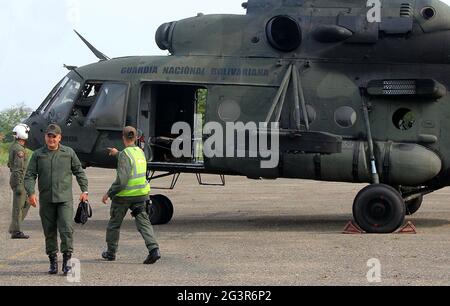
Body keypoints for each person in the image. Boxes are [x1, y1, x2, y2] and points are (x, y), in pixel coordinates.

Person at [24, 124, 89, 275]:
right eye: (49, 136)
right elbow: (30, 175)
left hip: (64, 200)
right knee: (49, 231)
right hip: (46, 200)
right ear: (45, 137)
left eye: (54, 136)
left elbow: (79, 171)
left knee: (66, 229)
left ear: (60, 137)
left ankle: (67, 262)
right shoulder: (38, 154)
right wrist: (31, 193)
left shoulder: (69, 152)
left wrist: (84, 190)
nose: (51, 139)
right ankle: (53, 261)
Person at [102, 126, 160, 264]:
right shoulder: (140, 151)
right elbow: (129, 158)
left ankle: (111, 252)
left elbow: (122, 181)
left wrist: (109, 193)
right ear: (135, 138)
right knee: (143, 223)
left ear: (123, 138)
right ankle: (154, 249)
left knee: (114, 224)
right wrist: (117, 153)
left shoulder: (125, 155)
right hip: (141, 195)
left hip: (124, 196)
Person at [8, 124, 31, 239]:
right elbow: (17, 169)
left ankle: (13, 227)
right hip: (19, 180)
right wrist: (19, 185)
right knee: (18, 206)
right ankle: (16, 231)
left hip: (18, 179)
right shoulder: (19, 150)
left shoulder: (14, 146)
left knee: (27, 203)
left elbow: (9, 164)